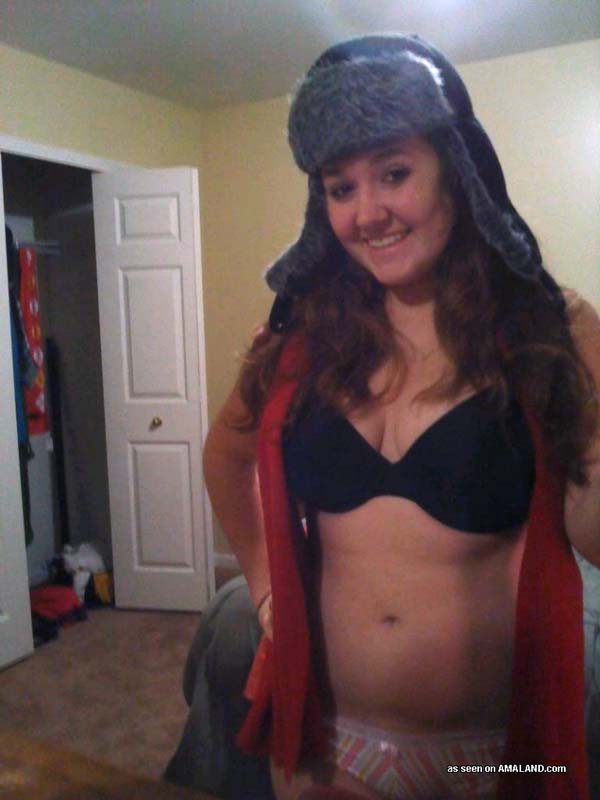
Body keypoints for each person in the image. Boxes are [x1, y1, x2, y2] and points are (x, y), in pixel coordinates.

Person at [202, 34, 600, 800]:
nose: (368, 212)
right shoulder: (299, 342)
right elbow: (225, 457)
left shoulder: (546, 333)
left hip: (492, 755)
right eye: (340, 187)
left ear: (457, 171)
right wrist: (264, 589)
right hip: (326, 746)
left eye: (393, 173)